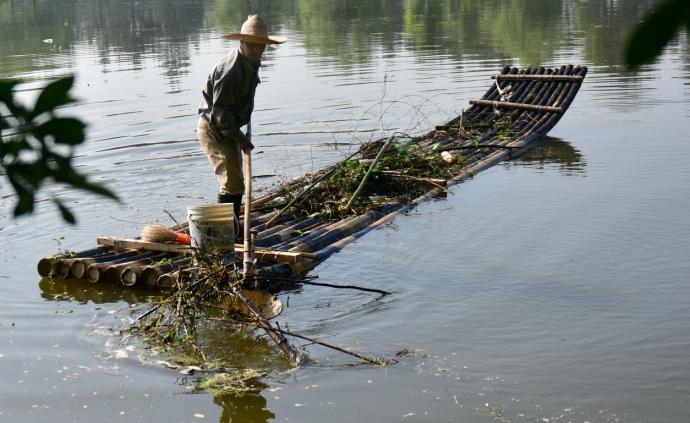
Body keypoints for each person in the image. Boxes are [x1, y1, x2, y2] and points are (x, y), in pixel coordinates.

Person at [197, 15, 286, 220]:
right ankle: (229, 229)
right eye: (251, 45)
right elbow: (220, 113)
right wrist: (240, 137)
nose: (256, 50)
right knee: (231, 182)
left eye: (260, 45)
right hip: (214, 127)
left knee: (236, 180)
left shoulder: (250, 61)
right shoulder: (230, 70)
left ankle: (233, 226)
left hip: (229, 126)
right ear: (241, 42)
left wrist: (239, 132)